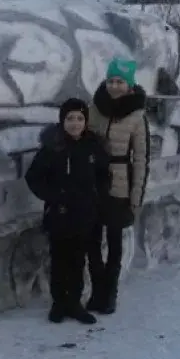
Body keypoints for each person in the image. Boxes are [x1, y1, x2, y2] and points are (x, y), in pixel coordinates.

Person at [25, 98, 110, 324]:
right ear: (62, 121)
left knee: (77, 260)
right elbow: (33, 177)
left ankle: (74, 303)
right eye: (70, 119)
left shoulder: (93, 146)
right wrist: (54, 196)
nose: (75, 123)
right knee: (59, 260)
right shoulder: (53, 147)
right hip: (59, 214)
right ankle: (58, 303)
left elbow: (104, 175)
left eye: (80, 118)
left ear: (86, 121)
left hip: (85, 215)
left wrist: (98, 198)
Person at [85, 56, 151, 315]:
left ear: (129, 85)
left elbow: (142, 160)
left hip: (120, 186)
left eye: (120, 81)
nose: (114, 86)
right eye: (111, 80)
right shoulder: (94, 108)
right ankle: (96, 290)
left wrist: (136, 198)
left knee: (113, 243)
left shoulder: (137, 116)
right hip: (93, 183)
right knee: (91, 242)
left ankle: (109, 292)